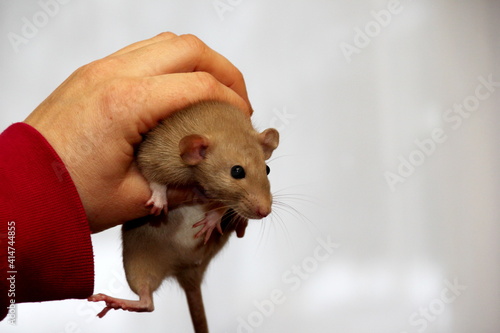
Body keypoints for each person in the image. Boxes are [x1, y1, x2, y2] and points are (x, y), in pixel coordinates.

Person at [0, 32, 252, 322]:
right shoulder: (180, 148)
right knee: (143, 232)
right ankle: (145, 297)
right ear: (196, 149)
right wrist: (38, 176)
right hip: (158, 246)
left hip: (201, 244)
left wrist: (221, 212)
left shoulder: (222, 154)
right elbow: (151, 162)